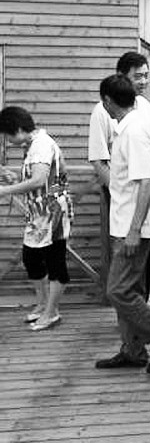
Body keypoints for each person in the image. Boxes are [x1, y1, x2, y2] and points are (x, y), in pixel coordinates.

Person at [88, 51, 150, 301]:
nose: (144, 81)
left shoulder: (143, 107)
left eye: (146, 76)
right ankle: (136, 316)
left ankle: (138, 315)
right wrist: (118, 191)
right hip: (125, 198)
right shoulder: (102, 111)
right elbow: (98, 159)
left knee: (143, 266)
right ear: (122, 76)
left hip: (146, 196)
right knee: (124, 276)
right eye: (138, 76)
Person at [94, 75, 150, 374]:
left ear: (107, 101)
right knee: (131, 290)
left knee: (118, 291)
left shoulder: (134, 131)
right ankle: (133, 350)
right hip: (123, 225)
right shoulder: (127, 127)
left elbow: (146, 181)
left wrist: (135, 230)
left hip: (132, 228)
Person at [0, 107, 72, 331]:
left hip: (53, 212)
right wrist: (15, 178)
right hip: (39, 214)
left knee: (55, 262)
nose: (7, 140)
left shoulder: (41, 145)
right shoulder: (33, 144)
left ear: (18, 129)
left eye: (7, 135)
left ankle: (51, 312)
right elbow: (38, 179)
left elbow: (39, 180)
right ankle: (43, 304)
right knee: (31, 258)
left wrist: (4, 190)